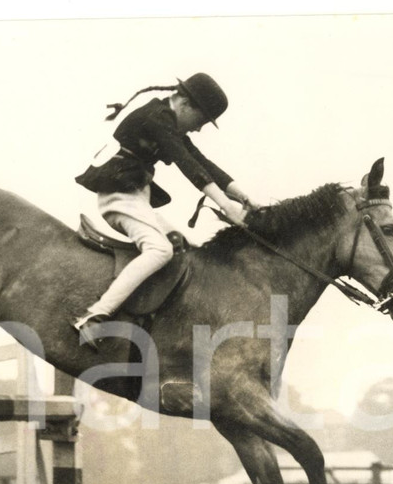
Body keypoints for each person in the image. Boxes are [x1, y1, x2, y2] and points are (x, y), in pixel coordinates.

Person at [73, 72, 259, 345]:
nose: (198, 129)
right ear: (185, 105)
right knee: (160, 250)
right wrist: (225, 205)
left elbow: (201, 161)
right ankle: (93, 317)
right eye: (201, 121)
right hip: (118, 196)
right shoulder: (157, 118)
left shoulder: (166, 118)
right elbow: (187, 164)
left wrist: (243, 197)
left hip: (135, 196)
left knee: (180, 244)